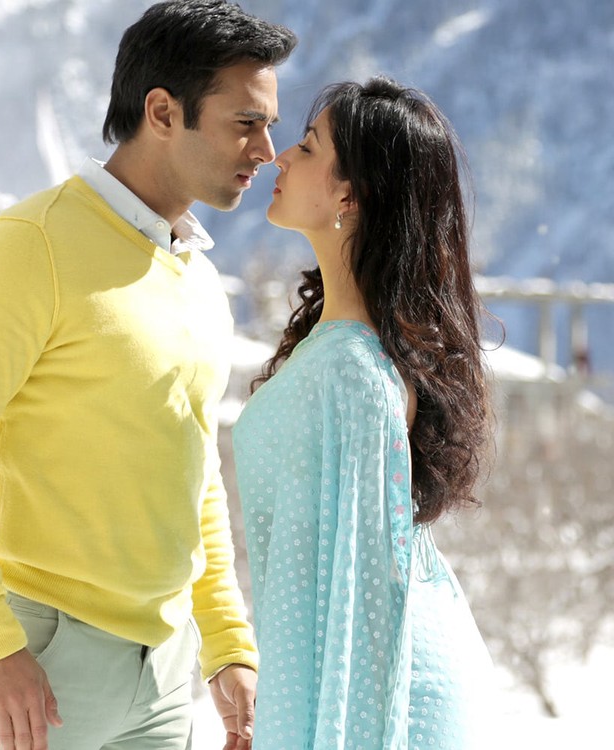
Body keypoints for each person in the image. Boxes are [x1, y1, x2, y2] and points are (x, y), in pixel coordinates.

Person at [0, 3, 295, 749]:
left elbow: (194, 467)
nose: (266, 149)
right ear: (162, 112)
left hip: (165, 676)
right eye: (246, 123)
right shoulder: (27, 245)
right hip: (40, 668)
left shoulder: (199, 279)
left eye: (268, 125)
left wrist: (227, 644)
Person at [233, 77, 495, 749]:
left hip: (385, 691)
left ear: (350, 195)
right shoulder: (336, 345)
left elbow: (366, 595)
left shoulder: (354, 372)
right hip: (354, 673)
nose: (279, 156)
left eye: (307, 146)